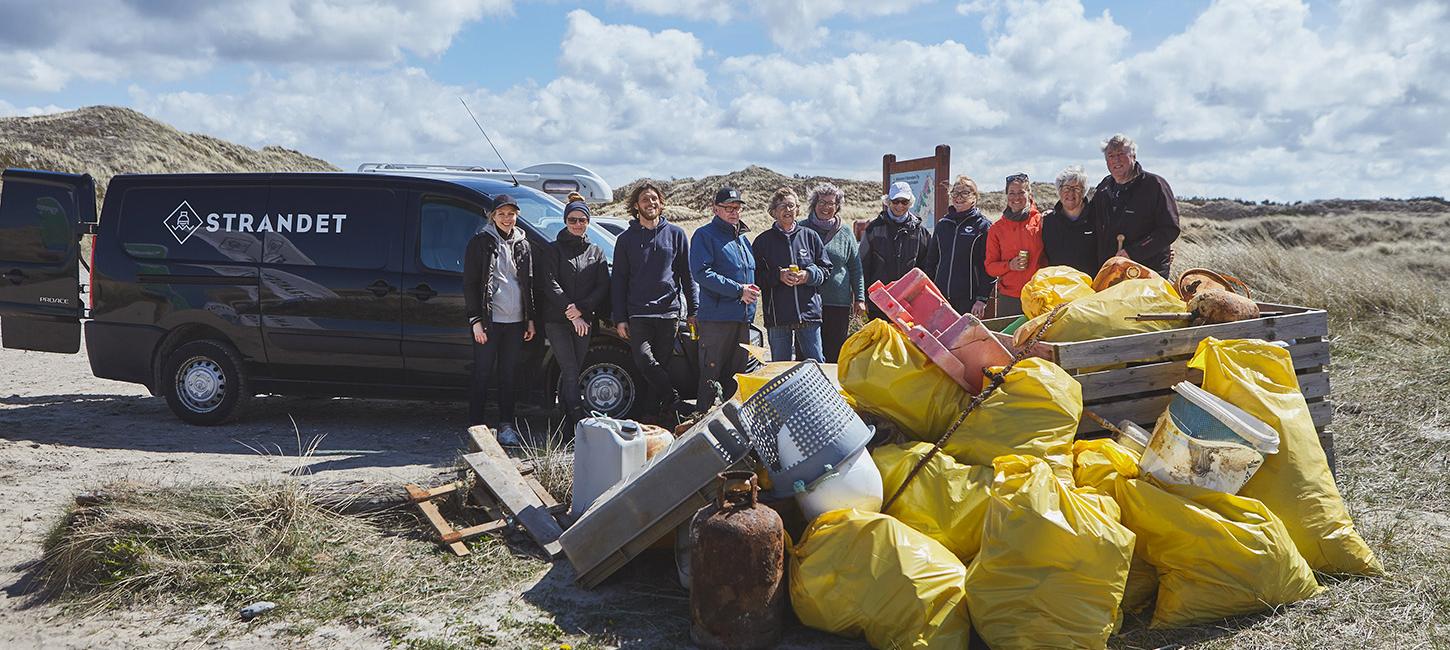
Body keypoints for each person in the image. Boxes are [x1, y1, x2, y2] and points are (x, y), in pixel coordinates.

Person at [611, 181, 698, 422]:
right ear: (636, 206)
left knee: (661, 365)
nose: (651, 203)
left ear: (661, 203)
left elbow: (686, 275)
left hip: (669, 313)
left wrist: (693, 310)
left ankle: (653, 417)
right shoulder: (626, 239)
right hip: (638, 314)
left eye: (654, 199)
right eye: (645, 199)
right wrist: (620, 318)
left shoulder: (676, 234)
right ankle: (673, 398)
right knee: (644, 360)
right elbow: (618, 281)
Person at [464, 193, 536, 445]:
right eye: (502, 214)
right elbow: (471, 284)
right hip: (489, 322)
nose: (507, 218)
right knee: (482, 373)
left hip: (515, 322)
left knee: (509, 375)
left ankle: (507, 426)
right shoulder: (480, 242)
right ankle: (476, 427)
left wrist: (529, 319)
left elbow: (528, 284)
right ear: (492, 216)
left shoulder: (523, 244)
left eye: (511, 214)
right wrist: (475, 320)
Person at [537, 192, 609, 430]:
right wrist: (570, 310)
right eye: (572, 220)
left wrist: (582, 310)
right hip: (558, 320)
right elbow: (549, 283)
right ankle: (578, 421)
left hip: (584, 320)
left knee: (574, 370)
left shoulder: (596, 251)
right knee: (569, 370)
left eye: (582, 220)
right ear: (565, 221)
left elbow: (602, 286)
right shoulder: (553, 249)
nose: (578, 224)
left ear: (588, 222)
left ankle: (566, 421)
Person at [689, 186, 758, 411]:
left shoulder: (743, 240)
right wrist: (739, 290)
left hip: (742, 318)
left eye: (737, 207)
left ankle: (732, 426)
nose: (733, 212)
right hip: (717, 319)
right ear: (715, 209)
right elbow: (702, 273)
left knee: (737, 376)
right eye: (728, 208)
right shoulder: (704, 235)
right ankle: (701, 423)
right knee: (711, 373)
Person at [753, 187, 830, 363]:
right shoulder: (762, 241)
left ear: (798, 209)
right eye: (782, 206)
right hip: (778, 316)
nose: (787, 210)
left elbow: (826, 270)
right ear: (773, 212)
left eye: (791, 205)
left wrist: (808, 275)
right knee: (780, 367)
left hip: (809, 314)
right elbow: (755, 278)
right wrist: (778, 276)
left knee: (816, 365)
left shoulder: (811, 236)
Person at [1088, 134, 1181, 277]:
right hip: (1110, 273)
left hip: (1147, 273)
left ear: (1134, 156)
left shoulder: (1154, 185)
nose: (1116, 160)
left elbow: (1169, 229)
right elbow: (1089, 220)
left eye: (1121, 154)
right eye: (1111, 156)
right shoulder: (1104, 187)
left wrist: (1132, 252)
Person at [801, 183, 864, 362]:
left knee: (834, 354)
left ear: (837, 206)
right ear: (813, 204)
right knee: (806, 355)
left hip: (838, 303)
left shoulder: (845, 232)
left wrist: (859, 298)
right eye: (821, 202)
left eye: (831, 203)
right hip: (807, 302)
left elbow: (855, 267)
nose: (826, 207)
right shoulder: (801, 228)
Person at [924, 175, 994, 317]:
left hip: (968, 300)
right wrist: (928, 292)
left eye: (965, 193)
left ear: (974, 197)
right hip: (941, 297)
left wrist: (982, 299)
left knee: (964, 339)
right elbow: (931, 262)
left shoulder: (983, 226)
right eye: (955, 193)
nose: (959, 197)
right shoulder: (943, 224)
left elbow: (988, 268)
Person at [859, 180, 930, 320]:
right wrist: (864, 298)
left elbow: (927, 267)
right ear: (888, 201)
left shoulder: (921, 232)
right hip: (879, 302)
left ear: (910, 203)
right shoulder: (874, 229)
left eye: (904, 202)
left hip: (910, 302)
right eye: (895, 201)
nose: (899, 205)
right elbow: (862, 265)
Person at [984, 173, 1044, 317]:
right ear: (1006, 195)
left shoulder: (1042, 222)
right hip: (1009, 298)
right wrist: (1009, 265)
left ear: (1029, 193)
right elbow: (990, 267)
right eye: (1011, 193)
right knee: (1008, 339)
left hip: (1038, 295)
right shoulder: (996, 229)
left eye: (1021, 192)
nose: (1016, 197)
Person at [1041, 165, 1098, 275]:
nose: (1071, 193)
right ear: (1059, 191)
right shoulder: (1047, 222)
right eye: (1066, 188)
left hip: (1091, 287)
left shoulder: (1097, 219)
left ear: (1084, 192)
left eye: (1076, 188)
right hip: (1057, 286)